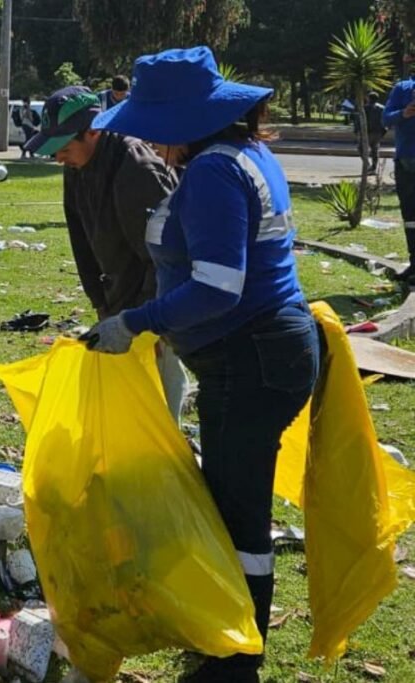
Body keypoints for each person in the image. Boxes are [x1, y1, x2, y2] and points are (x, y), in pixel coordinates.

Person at [85, 47, 321, 682]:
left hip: (252, 359)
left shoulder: (214, 172)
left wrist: (135, 321)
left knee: (240, 518)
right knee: (228, 506)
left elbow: (218, 286)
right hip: (260, 353)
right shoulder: (247, 156)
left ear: (183, 119)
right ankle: (228, 640)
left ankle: (234, 661)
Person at [23, 85, 187, 421]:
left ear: (93, 132)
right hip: (117, 298)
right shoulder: (76, 167)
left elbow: (165, 259)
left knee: (159, 399)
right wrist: (101, 305)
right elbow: (80, 241)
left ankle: (169, 463)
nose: (58, 158)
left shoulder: (137, 169)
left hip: (156, 306)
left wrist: (147, 324)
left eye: (64, 148)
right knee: (122, 406)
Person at [383, 75, 415, 283]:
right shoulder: (403, 88)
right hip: (406, 163)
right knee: (411, 217)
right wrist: (404, 113)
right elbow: (385, 119)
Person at [355, 92, 386, 172]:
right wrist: (384, 131)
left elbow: (359, 120)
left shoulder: (365, 108)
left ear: (369, 98)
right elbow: (385, 120)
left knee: (362, 148)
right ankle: (373, 167)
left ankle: (368, 165)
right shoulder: (382, 108)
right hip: (378, 132)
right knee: (375, 150)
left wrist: (357, 130)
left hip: (367, 132)